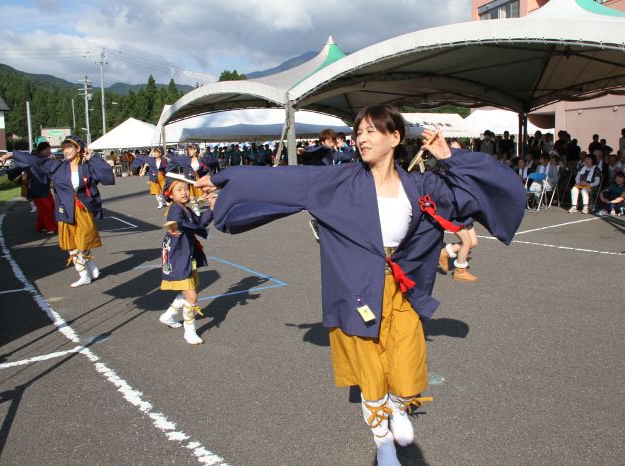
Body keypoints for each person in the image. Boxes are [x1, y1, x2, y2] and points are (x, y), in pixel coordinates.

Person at [195, 104, 525, 465]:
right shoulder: (338, 181)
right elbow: (283, 180)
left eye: (371, 131)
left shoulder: (422, 184)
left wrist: (448, 156)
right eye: (358, 132)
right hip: (355, 289)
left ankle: (399, 406)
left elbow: (479, 192)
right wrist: (224, 177)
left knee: (408, 362)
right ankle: (382, 442)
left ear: (395, 137)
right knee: (370, 372)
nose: (362, 138)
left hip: (403, 290)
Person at [2, 136, 115, 287]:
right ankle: (84, 274)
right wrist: (13, 154)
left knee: (83, 242)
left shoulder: (87, 167)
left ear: (78, 149)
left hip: (83, 209)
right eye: (64, 148)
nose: (66, 151)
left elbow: (108, 177)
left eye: (70, 147)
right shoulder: (57, 167)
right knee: (70, 244)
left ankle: (92, 267)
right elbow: (35, 161)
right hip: (65, 209)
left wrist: (93, 158)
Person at [158, 177, 216, 345]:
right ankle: (189, 331)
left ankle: (168, 316)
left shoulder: (185, 209)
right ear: (170, 195)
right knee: (191, 296)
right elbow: (183, 225)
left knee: (191, 289)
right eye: (179, 189)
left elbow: (198, 222)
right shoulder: (174, 211)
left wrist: (211, 207)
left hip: (186, 255)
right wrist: (203, 231)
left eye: (186, 188)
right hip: (177, 257)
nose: (184, 192)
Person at [6, 141, 57, 233]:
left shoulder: (44, 159)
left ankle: (40, 226)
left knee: (51, 206)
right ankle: (51, 227)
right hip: (36, 189)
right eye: (48, 149)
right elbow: (21, 165)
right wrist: (10, 158)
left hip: (44, 188)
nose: (49, 151)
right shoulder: (34, 159)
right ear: (42, 150)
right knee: (46, 208)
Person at [167, 143, 219, 215]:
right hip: (190, 180)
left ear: (195, 150)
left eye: (191, 149)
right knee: (191, 197)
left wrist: (205, 154)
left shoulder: (202, 159)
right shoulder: (185, 160)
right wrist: (168, 155)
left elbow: (214, 161)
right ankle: (196, 210)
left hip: (199, 180)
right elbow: (176, 159)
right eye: (188, 150)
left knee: (202, 197)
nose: (189, 151)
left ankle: (203, 204)